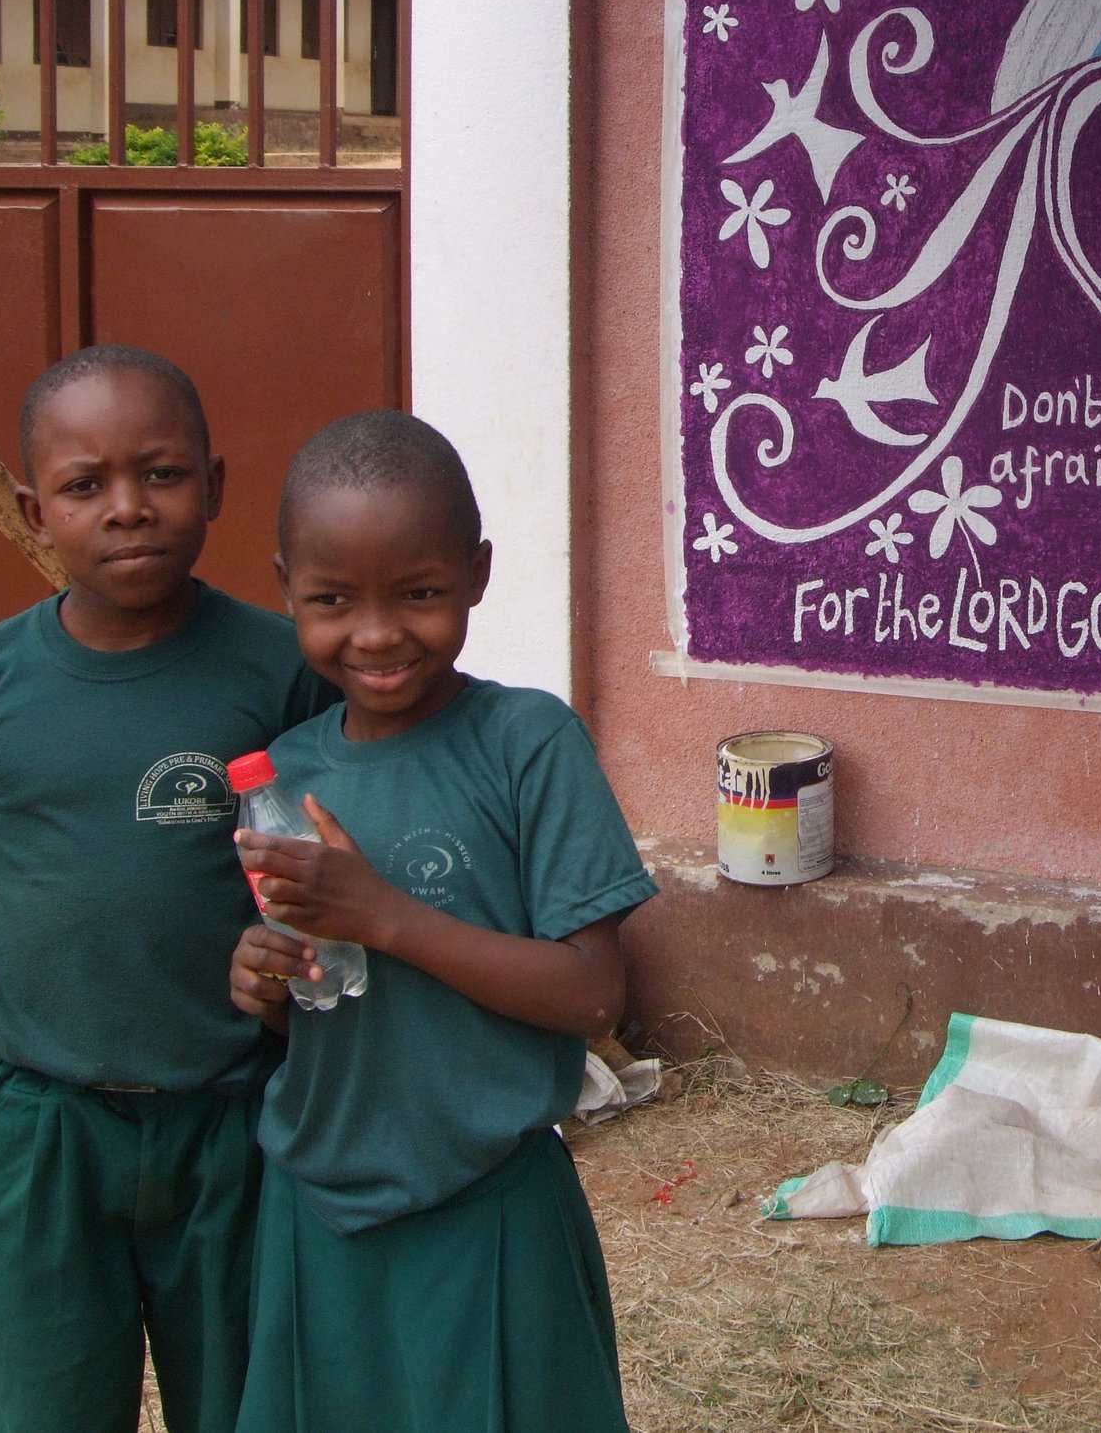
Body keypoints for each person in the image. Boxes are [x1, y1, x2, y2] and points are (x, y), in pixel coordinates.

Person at [0, 345, 335, 1433]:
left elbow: (343, 886)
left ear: (215, 487)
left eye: (161, 474)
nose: (128, 509)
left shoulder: (286, 674)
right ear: (36, 512)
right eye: (86, 486)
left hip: (237, 1133)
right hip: (45, 1144)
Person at [229, 410, 653, 1433]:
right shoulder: (284, 775)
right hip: (319, 1207)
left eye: (417, 593)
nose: (376, 634)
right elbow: (325, 1010)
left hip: (487, 1205)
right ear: (285, 586)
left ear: (477, 573)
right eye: (332, 601)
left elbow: (592, 994)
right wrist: (267, 981)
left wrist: (384, 914)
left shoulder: (524, 742)